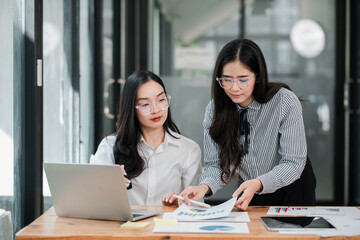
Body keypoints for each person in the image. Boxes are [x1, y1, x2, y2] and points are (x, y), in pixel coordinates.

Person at [177, 39, 316, 210]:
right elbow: (216, 166)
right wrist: (203, 188)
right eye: (226, 80)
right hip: (251, 189)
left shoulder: (284, 101)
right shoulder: (214, 111)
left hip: (292, 186)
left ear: (257, 77)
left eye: (243, 79)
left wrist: (259, 183)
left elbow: (294, 162)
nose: (234, 88)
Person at [90, 70, 202, 206]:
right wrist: (106, 183)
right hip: (124, 226)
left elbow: (196, 205)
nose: (156, 110)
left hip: (168, 225)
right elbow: (91, 199)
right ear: (131, 108)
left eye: (161, 100)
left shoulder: (188, 150)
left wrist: (180, 203)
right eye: (145, 105)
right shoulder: (110, 146)